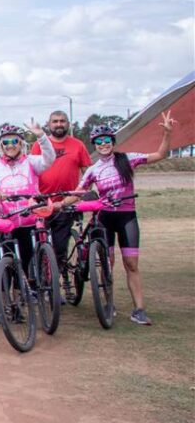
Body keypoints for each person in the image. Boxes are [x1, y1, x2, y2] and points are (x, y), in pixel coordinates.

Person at [71, 113, 176, 325]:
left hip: (127, 217)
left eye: (107, 140)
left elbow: (160, 155)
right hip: (105, 219)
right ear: (95, 144)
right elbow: (78, 192)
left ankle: (139, 310)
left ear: (112, 142)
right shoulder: (93, 170)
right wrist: (59, 204)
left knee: (131, 264)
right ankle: (109, 302)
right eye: (99, 142)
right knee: (107, 264)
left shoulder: (126, 159)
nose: (103, 144)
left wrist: (167, 134)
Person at [0, 121, 56, 286]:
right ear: (0, 145)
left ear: (21, 143)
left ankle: (20, 299)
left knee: (24, 262)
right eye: (6, 142)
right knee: (7, 266)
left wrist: (41, 136)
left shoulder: (31, 162)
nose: (10, 145)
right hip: (6, 220)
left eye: (14, 141)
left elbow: (50, 159)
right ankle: (6, 306)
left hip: (28, 220)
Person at [30, 110, 92, 281]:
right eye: (55, 121)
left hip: (66, 203)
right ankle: (42, 281)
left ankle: (57, 280)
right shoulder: (38, 145)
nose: (59, 124)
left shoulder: (78, 145)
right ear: (48, 124)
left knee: (59, 246)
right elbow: (31, 170)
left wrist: (82, 192)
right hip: (42, 202)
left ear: (68, 123)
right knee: (40, 243)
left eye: (62, 121)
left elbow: (88, 173)